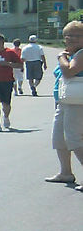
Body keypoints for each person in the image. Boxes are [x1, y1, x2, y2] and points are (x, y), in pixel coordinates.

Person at [45, 20, 83, 189]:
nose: (72, 38)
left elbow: (68, 72)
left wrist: (61, 57)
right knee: (59, 138)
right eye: (69, 35)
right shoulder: (71, 53)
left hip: (77, 103)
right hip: (65, 101)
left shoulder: (80, 53)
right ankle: (65, 172)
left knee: (74, 139)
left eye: (77, 36)